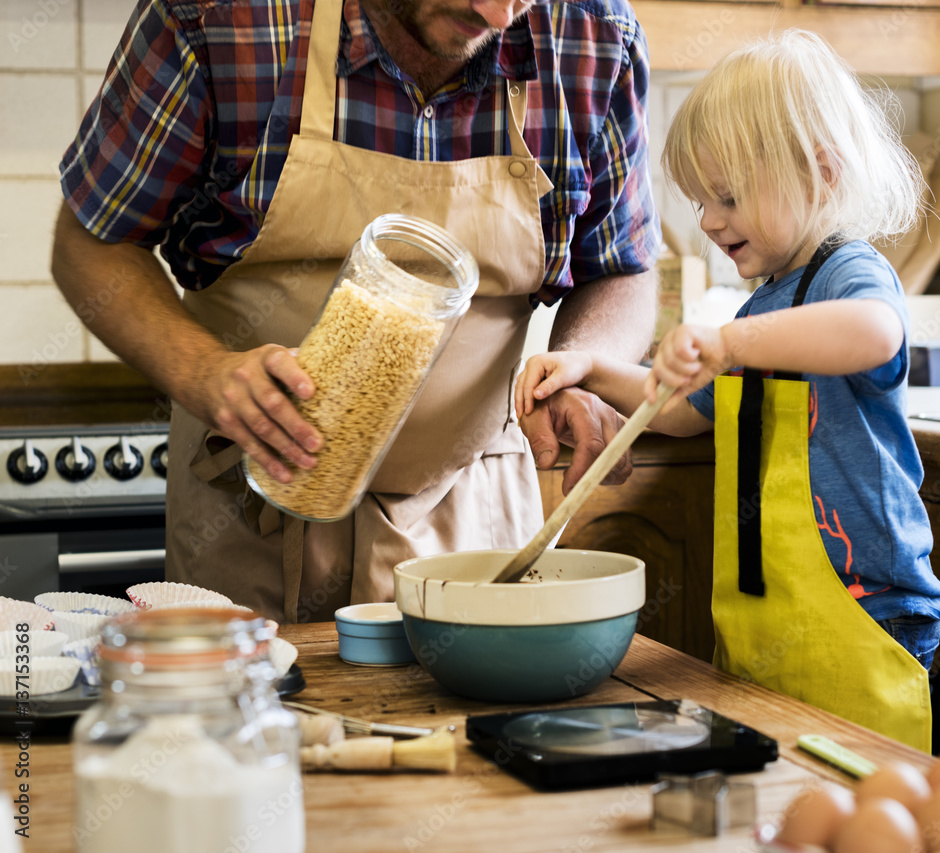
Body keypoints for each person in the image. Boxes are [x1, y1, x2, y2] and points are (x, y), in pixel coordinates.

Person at [51, 0, 660, 624]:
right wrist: (205, 372)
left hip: (472, 511)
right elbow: (90, 244)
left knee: (467, 723)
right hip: (246, 508)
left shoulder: (593, 35)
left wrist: (587, 364)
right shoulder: (218, 19)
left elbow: (621, 268)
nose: (498, 15)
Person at [515, 28, 940, 752]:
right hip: (768, 613)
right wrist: (590, 369)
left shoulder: (848, 273)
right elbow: (686, 410)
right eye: (700, 200)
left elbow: (878, 333)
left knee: (861, 802)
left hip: (869, 611)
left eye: (728, 195)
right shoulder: (761, 304)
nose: (711, 221)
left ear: (822, 172)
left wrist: (729, 342)